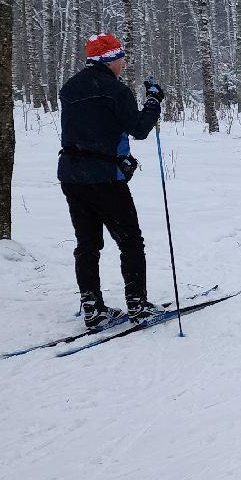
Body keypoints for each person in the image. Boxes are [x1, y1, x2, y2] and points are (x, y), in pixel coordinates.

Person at [58, 32, 167, 328]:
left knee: (87, 244)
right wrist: (153, 101)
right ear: (109, 60)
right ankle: (138, 306)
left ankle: (93, 308)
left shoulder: (70, 88)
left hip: (72, 175)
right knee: (130, 241)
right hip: (105, 178)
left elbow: (91, 127)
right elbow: (139, 129)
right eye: (120, 58)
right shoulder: (115, 90)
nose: (124, 63)